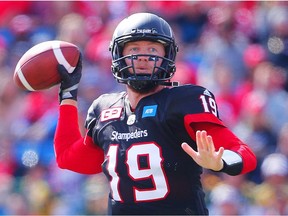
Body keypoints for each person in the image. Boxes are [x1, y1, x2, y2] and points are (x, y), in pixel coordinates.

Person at [54, 12, 257, 215]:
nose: (143, 57)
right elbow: (68, 158)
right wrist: (68, 95)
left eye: (152, 49)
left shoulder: (183, 101)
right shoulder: (104, 109)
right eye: (134, 49)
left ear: (166, 56)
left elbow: (244, 154)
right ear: (118, 55)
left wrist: (220, 162)